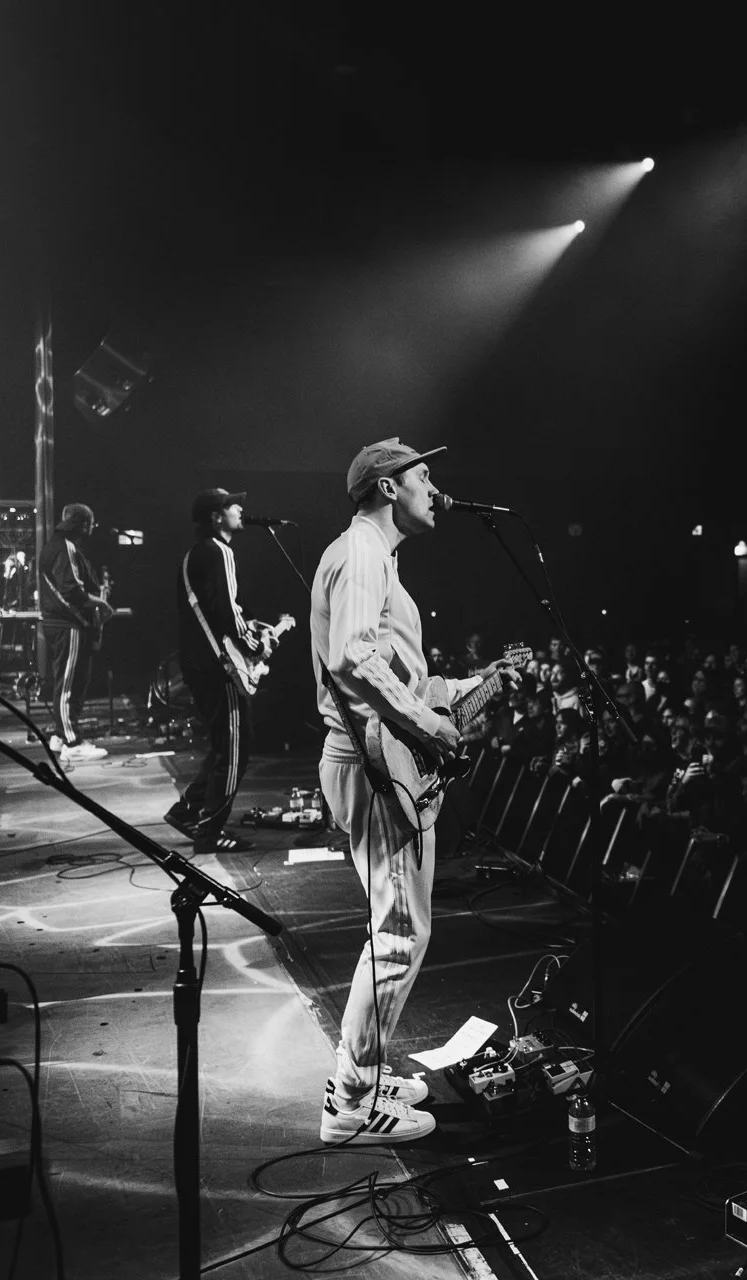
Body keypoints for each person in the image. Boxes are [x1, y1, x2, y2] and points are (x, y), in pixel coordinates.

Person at [310, 439, 514, 1146]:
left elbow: (392, 674)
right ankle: (352, 1103)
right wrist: (429, 721)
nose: (436, 487)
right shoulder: (365, 550)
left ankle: (361, 1075)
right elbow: (354, 659)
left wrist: (464, 690)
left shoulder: (377, 559)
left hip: (370, 762)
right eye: (424, 476)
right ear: (388, 487)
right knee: (398, 936)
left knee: (396, 930)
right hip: (369, 767)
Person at [164, 490, 280, 855]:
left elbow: (214, 610)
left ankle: (187, 811)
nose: (241, 509)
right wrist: (256, 646)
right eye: (233, 506)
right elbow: (227, 614)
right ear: (217, 517)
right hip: (218, 667)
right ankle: (210, 831)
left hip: (198, 663)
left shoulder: (193, 555)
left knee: (224, 745)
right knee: (235, 749)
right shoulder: (220, 552)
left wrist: (246, 627)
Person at [37, 503, 114, 761]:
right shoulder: (64, 547)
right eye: (90, 522)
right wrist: (100, 603)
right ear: (83, 524)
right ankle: (71, 742)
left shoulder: (56, 546)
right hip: (67, 623)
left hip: (66, 623)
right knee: (68, 683)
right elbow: (71, 590)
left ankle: (62, 735)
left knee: (75, 680)